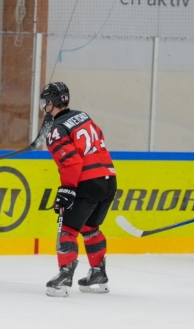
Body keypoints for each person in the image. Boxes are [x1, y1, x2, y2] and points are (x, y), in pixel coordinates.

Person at [40, 82, 117, 297]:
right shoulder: (83, 116)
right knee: (91, 227)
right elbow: (99, 136)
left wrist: (68, 189)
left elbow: (72, 162)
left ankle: (64, 277)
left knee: (68, 229)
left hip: (87, 181)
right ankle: (98, 275)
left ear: (51, 103)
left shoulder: (57, 129)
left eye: (45, 102)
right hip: (109, 178)